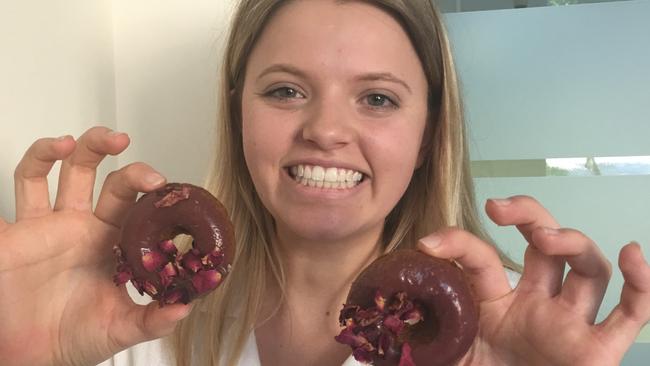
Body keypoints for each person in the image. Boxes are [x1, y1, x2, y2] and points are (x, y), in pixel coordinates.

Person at [1, 0, 648, 365]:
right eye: (286, 90)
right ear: (238, 114)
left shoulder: (504, 335)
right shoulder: (129, 322)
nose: (327, 130)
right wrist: (29, 354)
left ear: (429, 135)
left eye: (378, 99)